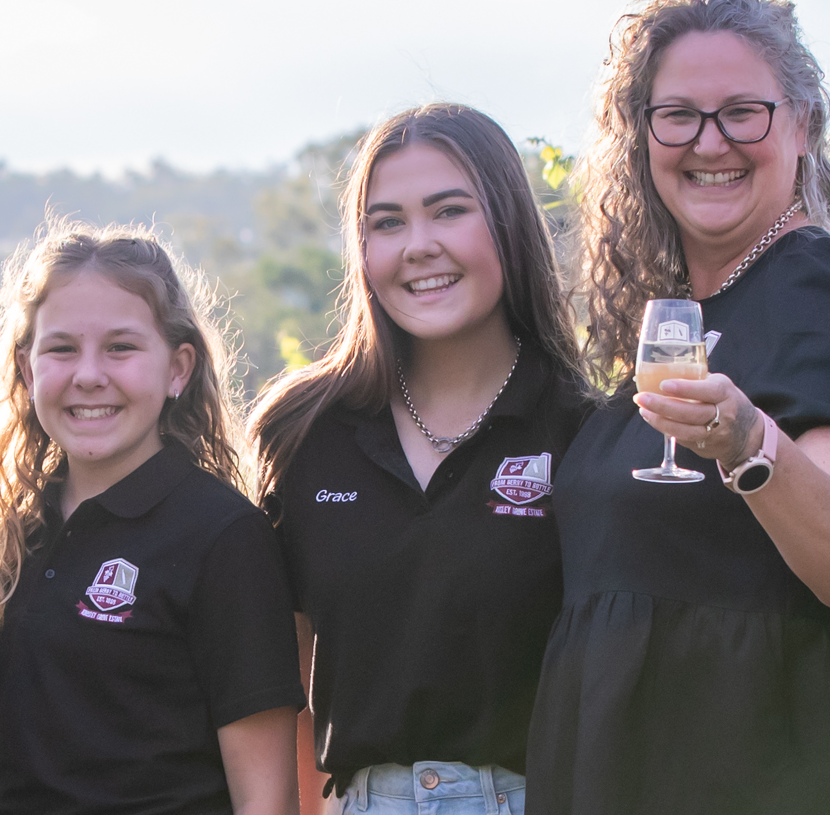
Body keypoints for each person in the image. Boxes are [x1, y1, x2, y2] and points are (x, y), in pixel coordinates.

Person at [527, 0, 830, 815]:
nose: (711, 141)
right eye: (680, 115)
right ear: (643, 135)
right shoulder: (680, 311)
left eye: (744, 112)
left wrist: (747, 443)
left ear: (802, 126)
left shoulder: (816, 286)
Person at [252, 105, 594, 815]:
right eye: (387, 222)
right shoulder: (305, 435)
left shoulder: (584, 432)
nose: (418, 245)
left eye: (448, 211)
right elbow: (282, 690)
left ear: (508, 223)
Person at [0, 226, 298, 815]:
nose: (88, 375)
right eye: (61, 349)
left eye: (121, 348)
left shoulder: (223, 536)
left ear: (178, 369)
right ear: (27, 371)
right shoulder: (3, 532)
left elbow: (268, 800)